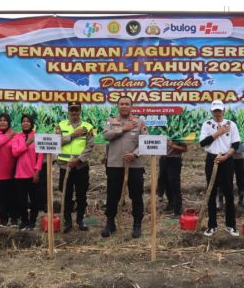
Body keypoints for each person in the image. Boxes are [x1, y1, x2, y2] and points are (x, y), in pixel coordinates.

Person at [101, 96, 147, 239]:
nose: (124, 106)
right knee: (112, 196)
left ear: (131, 106)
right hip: (114, 165)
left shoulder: (139, 122)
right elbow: (106, 136)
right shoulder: (111, 121)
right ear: (118, 106)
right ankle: (110, 223)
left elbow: (145, 142)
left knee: (136, 196)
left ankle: (137, 224)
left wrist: (135, 154)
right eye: (122, 104)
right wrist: (123, 129)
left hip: (134, 166)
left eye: (127, 104)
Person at [199, 100, 241, 237]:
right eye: (215, 111)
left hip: (226, 159)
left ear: (224, 110)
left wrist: (226, 156)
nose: (217, 113)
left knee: (229, 192)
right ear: (212, 111)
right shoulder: (207, 125)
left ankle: (231, 225)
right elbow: (203, 143)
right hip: (212, 160)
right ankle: (212, 225)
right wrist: (219, 132)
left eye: (219, 110)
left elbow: (236, 144)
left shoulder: (231, 124)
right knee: (211, 192)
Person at [56, 102, 94, 233]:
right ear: (68, 111)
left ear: (80, 111)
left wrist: (78, 159)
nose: (74, 112)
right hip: (64, 166)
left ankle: (80, 220)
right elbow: (56, 142)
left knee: (81, 195)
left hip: (81, 166)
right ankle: (67, 221)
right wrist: (72, 135)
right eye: (71, 110)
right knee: (66, 195)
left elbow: (90, 146)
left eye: (76, 110)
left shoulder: (87, 127)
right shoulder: (61, 125)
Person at [12, 114, 43, 230]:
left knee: (35, 199)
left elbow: (40, 157)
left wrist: (37, 171)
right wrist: (27, 143)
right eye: (23, 121)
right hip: (19, 174)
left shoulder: (36, 137)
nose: (25, 123)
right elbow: (15, 153)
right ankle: (24, 220)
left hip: (32, 174)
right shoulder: (17, 137)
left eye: (28, 121)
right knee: (21, 199)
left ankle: (32, 221)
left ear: (32, 123)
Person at [158, 139, 188, 218]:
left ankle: (177, 210)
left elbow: (185, 149)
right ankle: (171, 203)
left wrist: (173, 146)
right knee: (165, 182)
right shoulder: (162, 133)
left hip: (174, 160)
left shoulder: (177, 135)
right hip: (163, 159)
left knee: (174, 184)